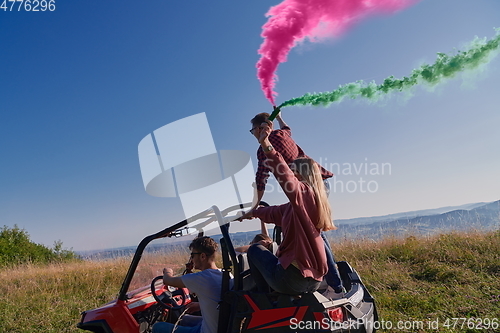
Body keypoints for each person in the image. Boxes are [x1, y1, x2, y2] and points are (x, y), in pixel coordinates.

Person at [249, 110, 345, 298]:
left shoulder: (265, 149)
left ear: (261, 128)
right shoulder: (283, 134)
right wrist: (257, 212)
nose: (253, 134)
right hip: (319, 182)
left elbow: (263, 178)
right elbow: (287, 128)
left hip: (306, 182)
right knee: (311, 228)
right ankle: (331, 281)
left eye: (252, 130)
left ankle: (333, 285)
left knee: (308, 228)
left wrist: (265, 143)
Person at [152, 236, 225, 333]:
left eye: (193, 255)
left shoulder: (202, 278)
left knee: (158, 327)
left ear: (202, 256)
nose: (192, 259)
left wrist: (167, 271)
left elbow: (168, 281)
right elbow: (220, 301)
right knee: (183, 319)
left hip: (206, 331)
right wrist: (200, 305)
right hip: (221, 326)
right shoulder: (224, 274)